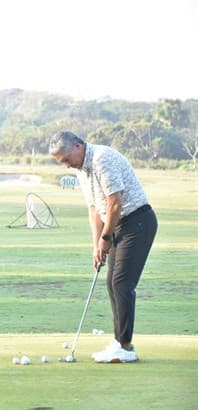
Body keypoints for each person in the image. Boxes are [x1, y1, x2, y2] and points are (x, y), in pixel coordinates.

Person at [49, 131, 157, 363]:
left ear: (78, 146)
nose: (67, 166)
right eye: (62, 163)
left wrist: (106, 238)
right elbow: (94, 208)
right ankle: (120, 342)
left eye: (67, 159)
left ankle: (126, 348)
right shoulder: (81, 170)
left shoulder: (101, 158)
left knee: (122, 282)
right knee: (112, 282)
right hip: (118, 224)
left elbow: (114, 202)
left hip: (137, 221)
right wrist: (96, 245)